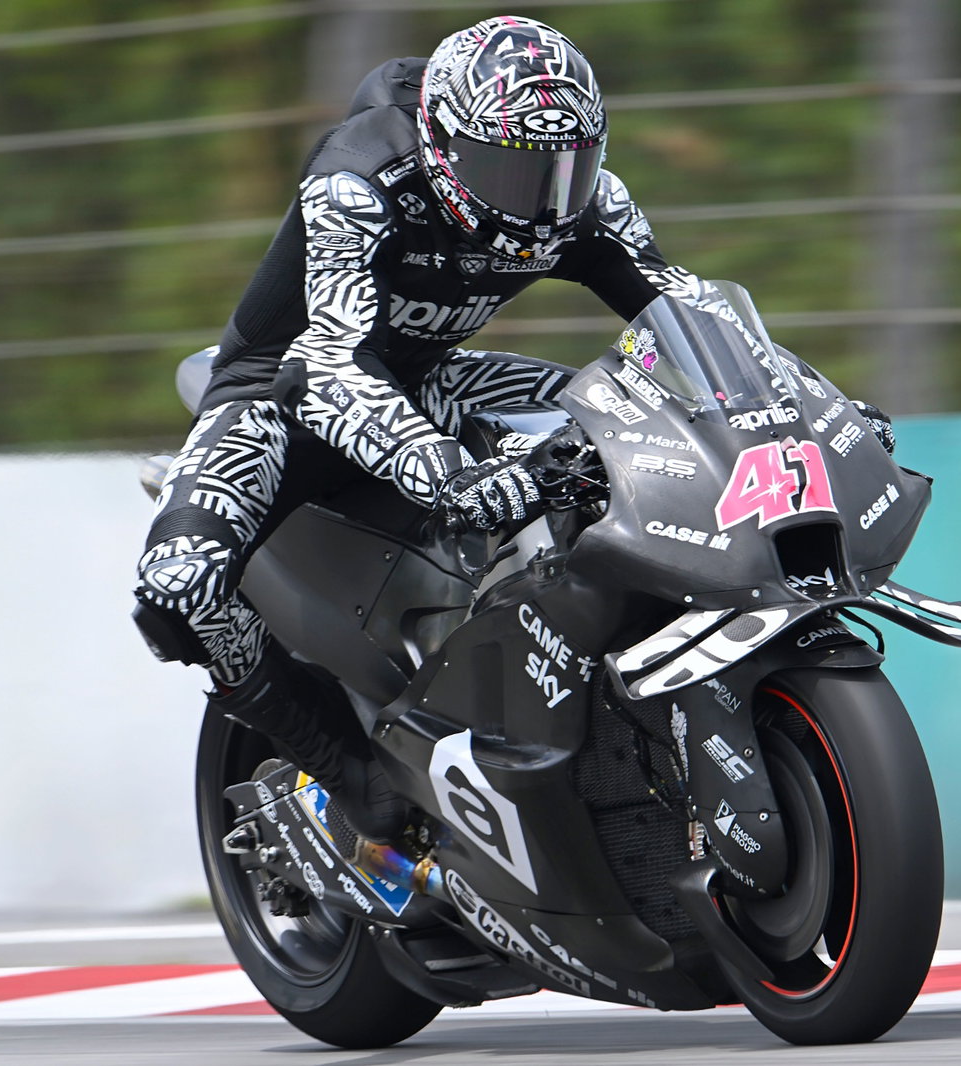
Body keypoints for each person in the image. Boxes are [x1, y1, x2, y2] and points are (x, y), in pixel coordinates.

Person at [132, 16, 890, 842]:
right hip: (285, 394)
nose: (544, 201)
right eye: (513, 171)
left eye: (567, 171)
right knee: (179, 586)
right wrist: (447, 475)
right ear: (444, 146)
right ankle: (347, 771)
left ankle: (580, 714)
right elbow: (334, 360)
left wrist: (812, 411)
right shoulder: (358, 179)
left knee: (645, 426)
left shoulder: (588, 204)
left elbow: (693, 321)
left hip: (437, 379)